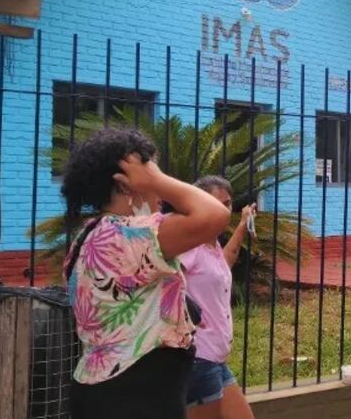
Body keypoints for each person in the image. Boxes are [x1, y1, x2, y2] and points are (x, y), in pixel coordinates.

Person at [62, 128, 231, 419]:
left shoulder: (92, 234)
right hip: (135, 397)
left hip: (103, 390)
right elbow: (215, 215)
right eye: (150, 170)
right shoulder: (125, 236)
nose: (158, 189)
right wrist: (158, 180)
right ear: (126, 183)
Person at [179, 176, 256, 419]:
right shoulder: (191, 246)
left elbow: (225, 263)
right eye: (216, 204)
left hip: (215, 360)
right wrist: (183, 313)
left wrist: (242, 225)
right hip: (199, 357)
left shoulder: (211, 247)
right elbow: (164, 282)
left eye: (227, 204)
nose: (223, 211)